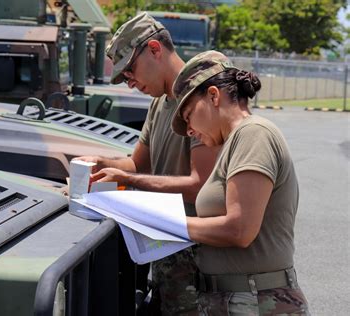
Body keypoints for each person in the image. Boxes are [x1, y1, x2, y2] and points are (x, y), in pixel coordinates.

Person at [75, 12, 218, 315]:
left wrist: (133, 183)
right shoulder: (159, 103)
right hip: (166, 254)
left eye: (131, 71)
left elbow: (200, 187)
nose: (130, 84)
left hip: (197, 261)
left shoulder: (196, 101)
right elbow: (137, 164)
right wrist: (101, 163)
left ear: (155, 49)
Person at [171, 50, 310, 315]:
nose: (189, 130)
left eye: (188, 114)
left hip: (256, 302)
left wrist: (164, 222)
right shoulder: (234, 141)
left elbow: (240, 229)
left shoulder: (253, 134)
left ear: (213, 96)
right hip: (238, 299)